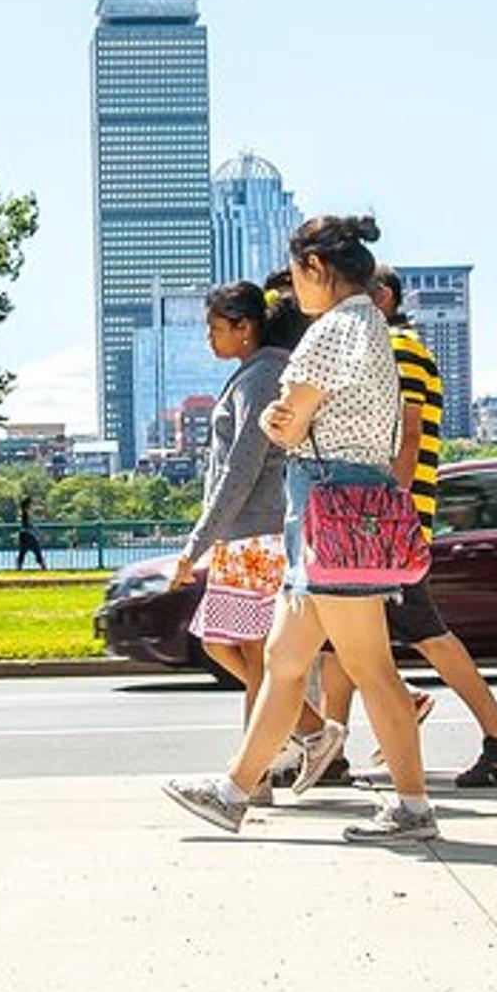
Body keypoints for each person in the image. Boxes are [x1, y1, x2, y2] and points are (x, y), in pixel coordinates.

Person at [163, 215, 437, 843]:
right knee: (284, 660)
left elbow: (285, 424)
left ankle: (413, 806)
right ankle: (234, 791)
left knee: (371, 667)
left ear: (316, 269)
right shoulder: (372, 325)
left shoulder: (330, 332)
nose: (289, 295)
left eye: (295, 277)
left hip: (327, 506)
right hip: (348, 503)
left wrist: (276, 422)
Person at [317, 265, 497, 787]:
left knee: (428, 634)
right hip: (385, 519)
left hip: (391, 521)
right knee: (337, 642)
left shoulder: (400, 350)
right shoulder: (385, 348)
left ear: (382, 299)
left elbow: (409, 435)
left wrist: (384, 514)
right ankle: (329, 753)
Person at [171, 282, 325, 754]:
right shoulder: (253, 374)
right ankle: (313, 730)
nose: (209, 338)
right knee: (221, 644)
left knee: (256, 652)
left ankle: (253, 770)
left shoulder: (263, 377)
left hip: (260, 533)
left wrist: (195, 544)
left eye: (215, 328)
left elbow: (241, 467)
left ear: (245, 327)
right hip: (244, 535)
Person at [16, 496, 47, 570]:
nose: (32, 505)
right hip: (27, 534)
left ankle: (19, 567)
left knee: (23, 551)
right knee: (36, 549)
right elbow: (28, 524)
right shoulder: (25, 513)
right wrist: (37, 531)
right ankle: (43, 566)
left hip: (23, 534)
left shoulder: (23, 512)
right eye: (31, 504)